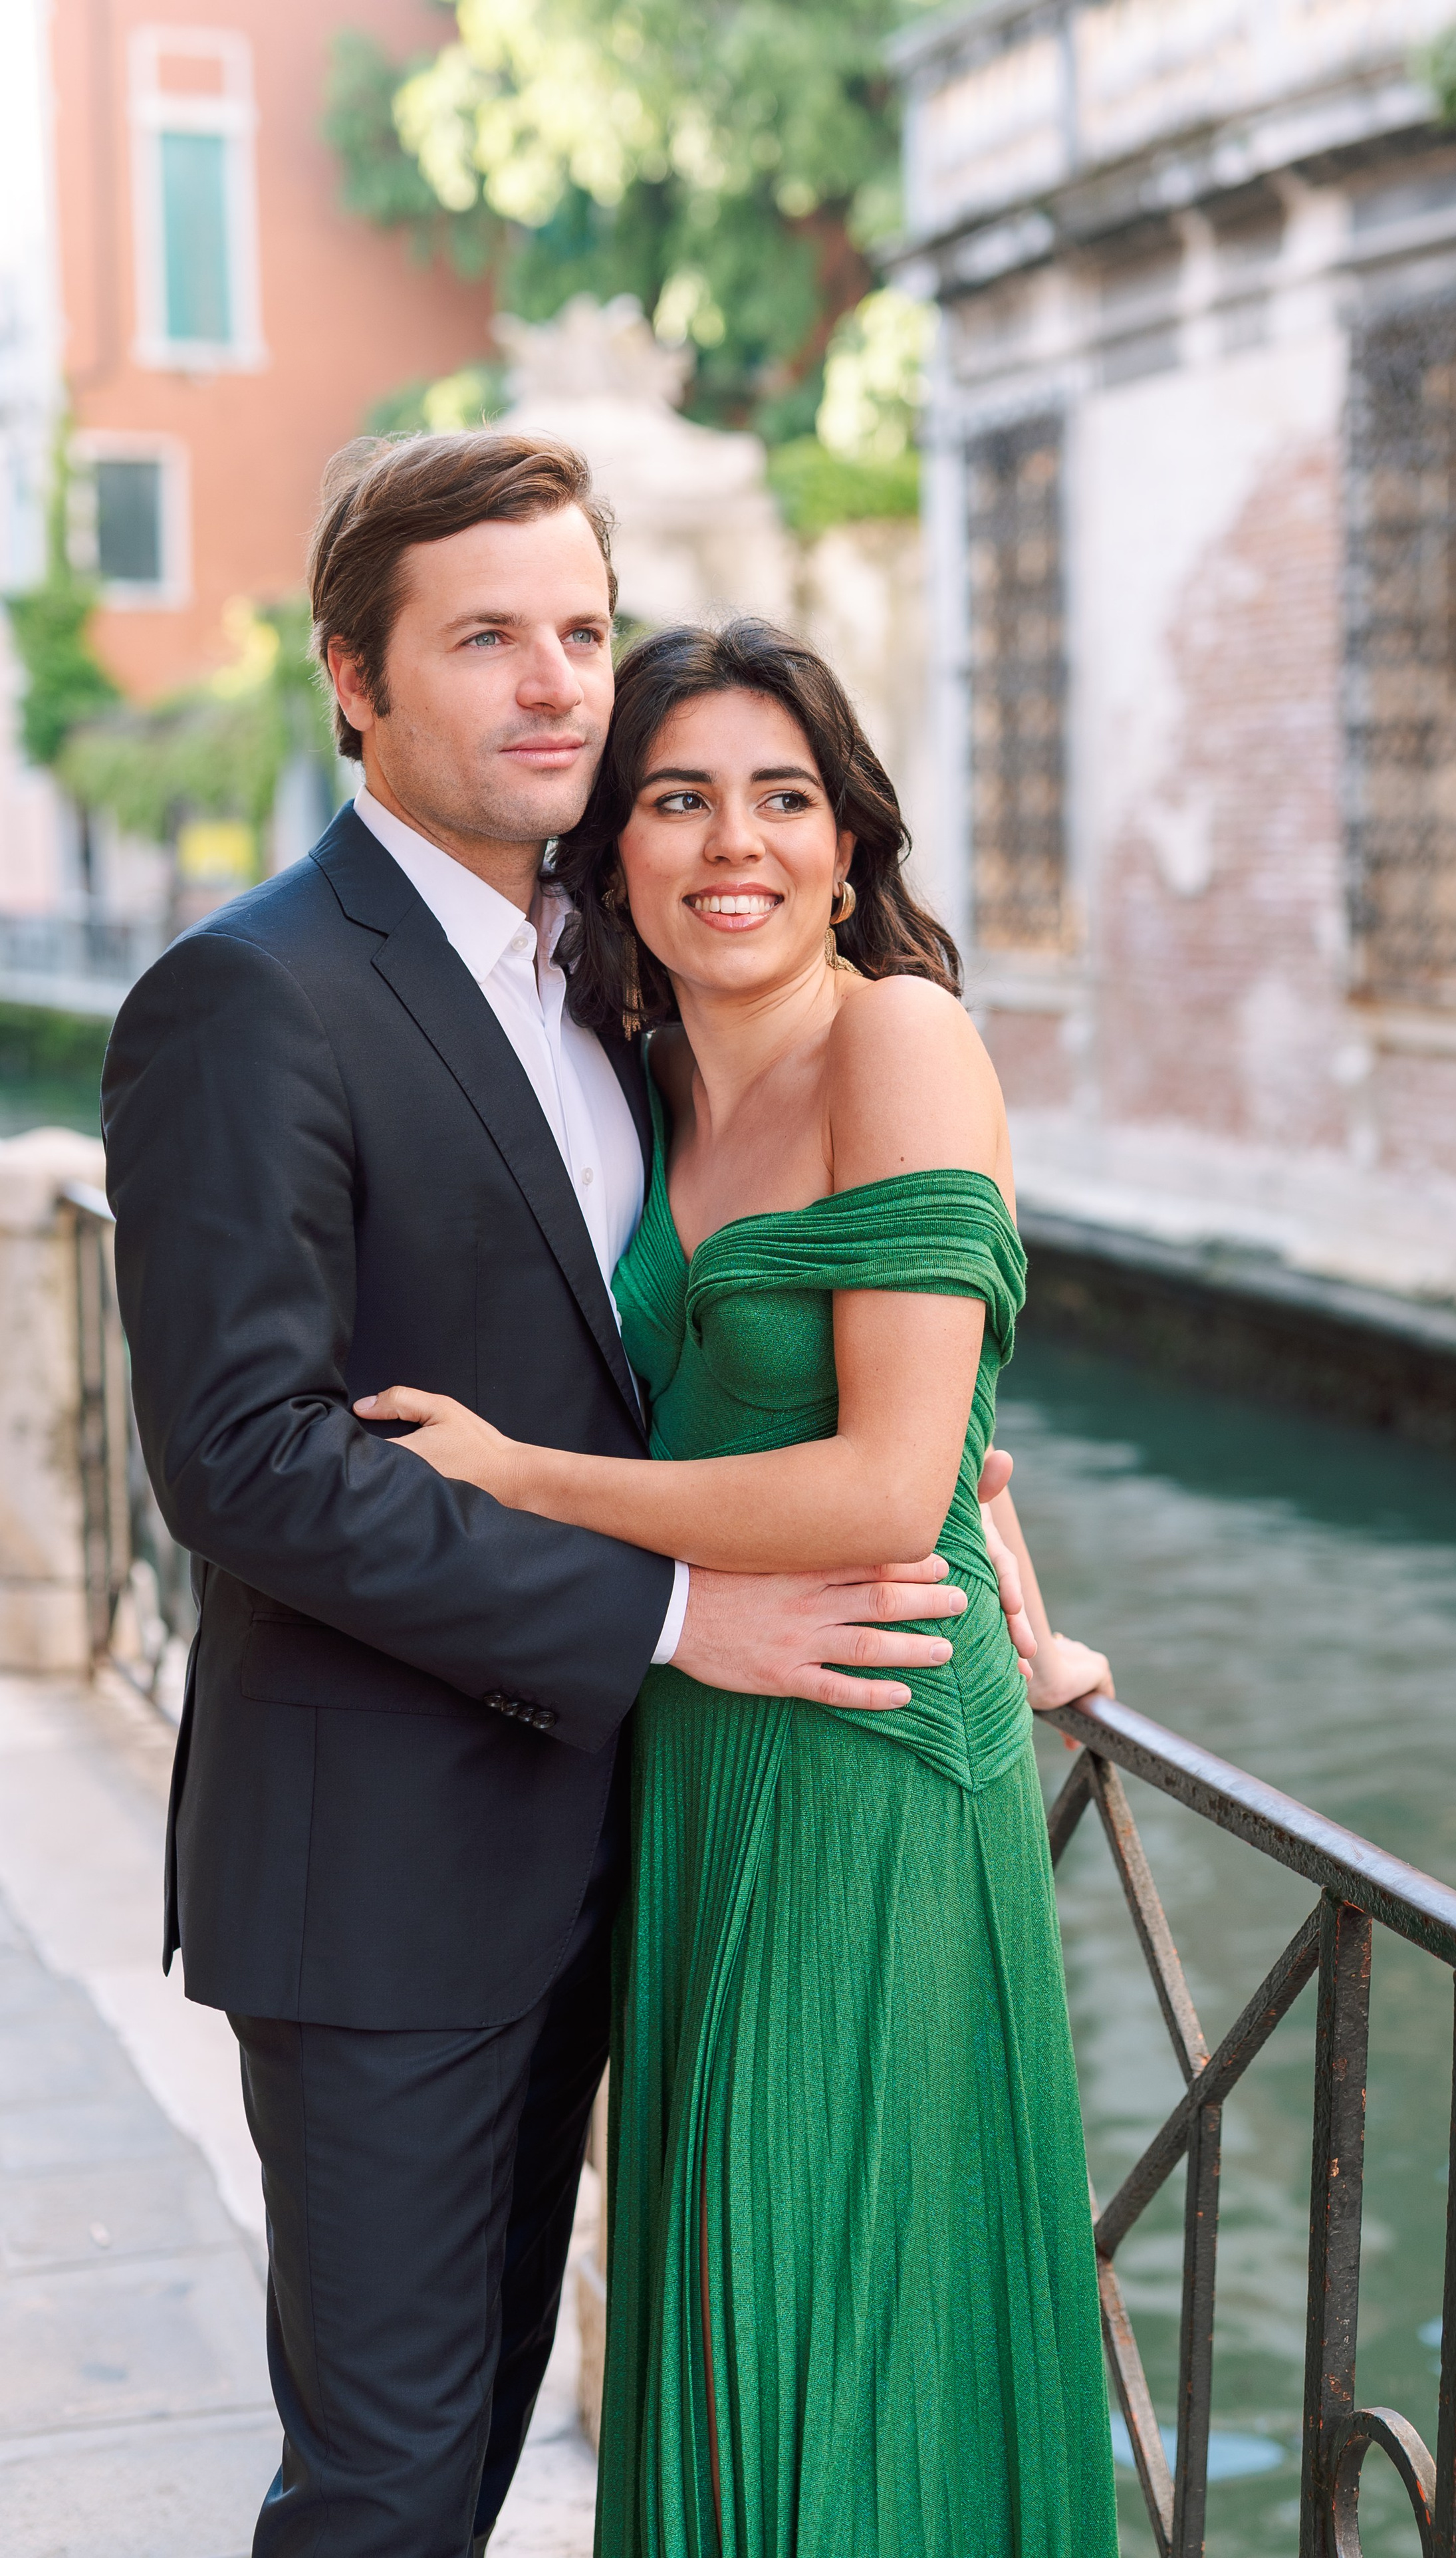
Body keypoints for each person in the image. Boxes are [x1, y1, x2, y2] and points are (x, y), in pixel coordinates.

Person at [100, 433, 992, 2558]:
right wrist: (674, 1617)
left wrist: (978, 1528)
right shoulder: (251, 995)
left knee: (525, 2430)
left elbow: (764, 1343)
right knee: (392, 2488)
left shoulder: (617, 980)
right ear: (354, 679)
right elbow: (246, 1460)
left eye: (582, 631)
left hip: (655, 1847)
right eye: (485, 638)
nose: (554, 684)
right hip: (389, 1881)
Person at [358, 618, 1122, 2555]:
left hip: (868, 1741)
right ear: (612, 847)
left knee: (846, 2319)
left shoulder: (901, 1040)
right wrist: (979, 1489)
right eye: (680, 799)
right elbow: (814, 1423)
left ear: (848, 845)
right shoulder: (638, 1088)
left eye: (784, 798)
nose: (734, 845)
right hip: (692, 1735)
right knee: (722, 2302)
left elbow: (889, 1476)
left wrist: (523, 1480)